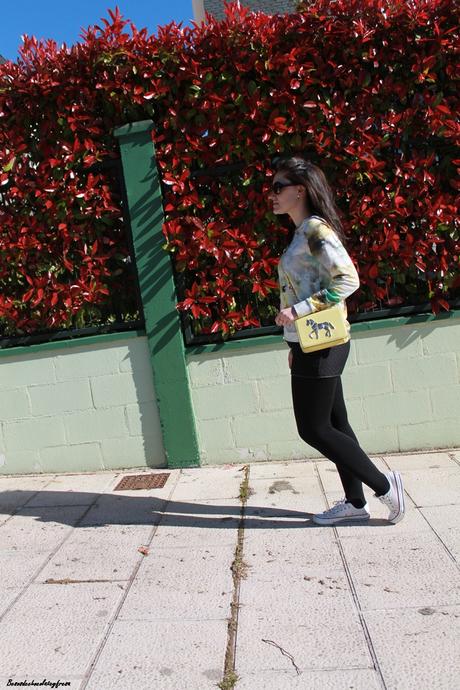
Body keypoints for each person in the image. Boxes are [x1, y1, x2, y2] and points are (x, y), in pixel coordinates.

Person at [269, 155, 405, 526]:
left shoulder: (316, 231)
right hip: (310, 343)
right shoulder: (300, 234)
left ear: (300, 190)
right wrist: (291, 344)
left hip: (325, 341)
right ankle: (355, 503)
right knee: (336, 422)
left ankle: (385, 488)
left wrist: (298, 312)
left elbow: (347, 281)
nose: (273, 194)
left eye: (279, 187)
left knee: (313, 428)